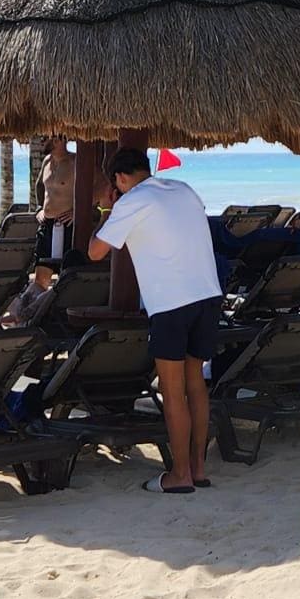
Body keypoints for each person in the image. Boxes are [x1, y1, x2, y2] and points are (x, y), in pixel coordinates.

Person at [88, 147, 221, 495]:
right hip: (207, 294)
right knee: (196, 384)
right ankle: (198, 469)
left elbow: (95, 251)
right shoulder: (183, 189)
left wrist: (107, 207)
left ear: (119, 180)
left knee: (172, 390)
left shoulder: (132, 201)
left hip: (171, 303)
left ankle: (179, 475)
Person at [37, 137, 76, 260]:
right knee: (41, 271)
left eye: (45, 137)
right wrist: (39, 208)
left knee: (65, 272)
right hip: (46, 223)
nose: (41, 141)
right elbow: (39, 185)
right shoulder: (47, 161)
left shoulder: (75, 162)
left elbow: (101, 186)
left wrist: (77, 212)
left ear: (58, 140)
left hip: (67, 224)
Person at [3, 259, 57, 329]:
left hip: (26, 319)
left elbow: (23, 315)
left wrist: (24, 300)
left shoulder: (49, 294)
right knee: (34, 288)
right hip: (31, 308)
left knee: (12, 299)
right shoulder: (56, 290)